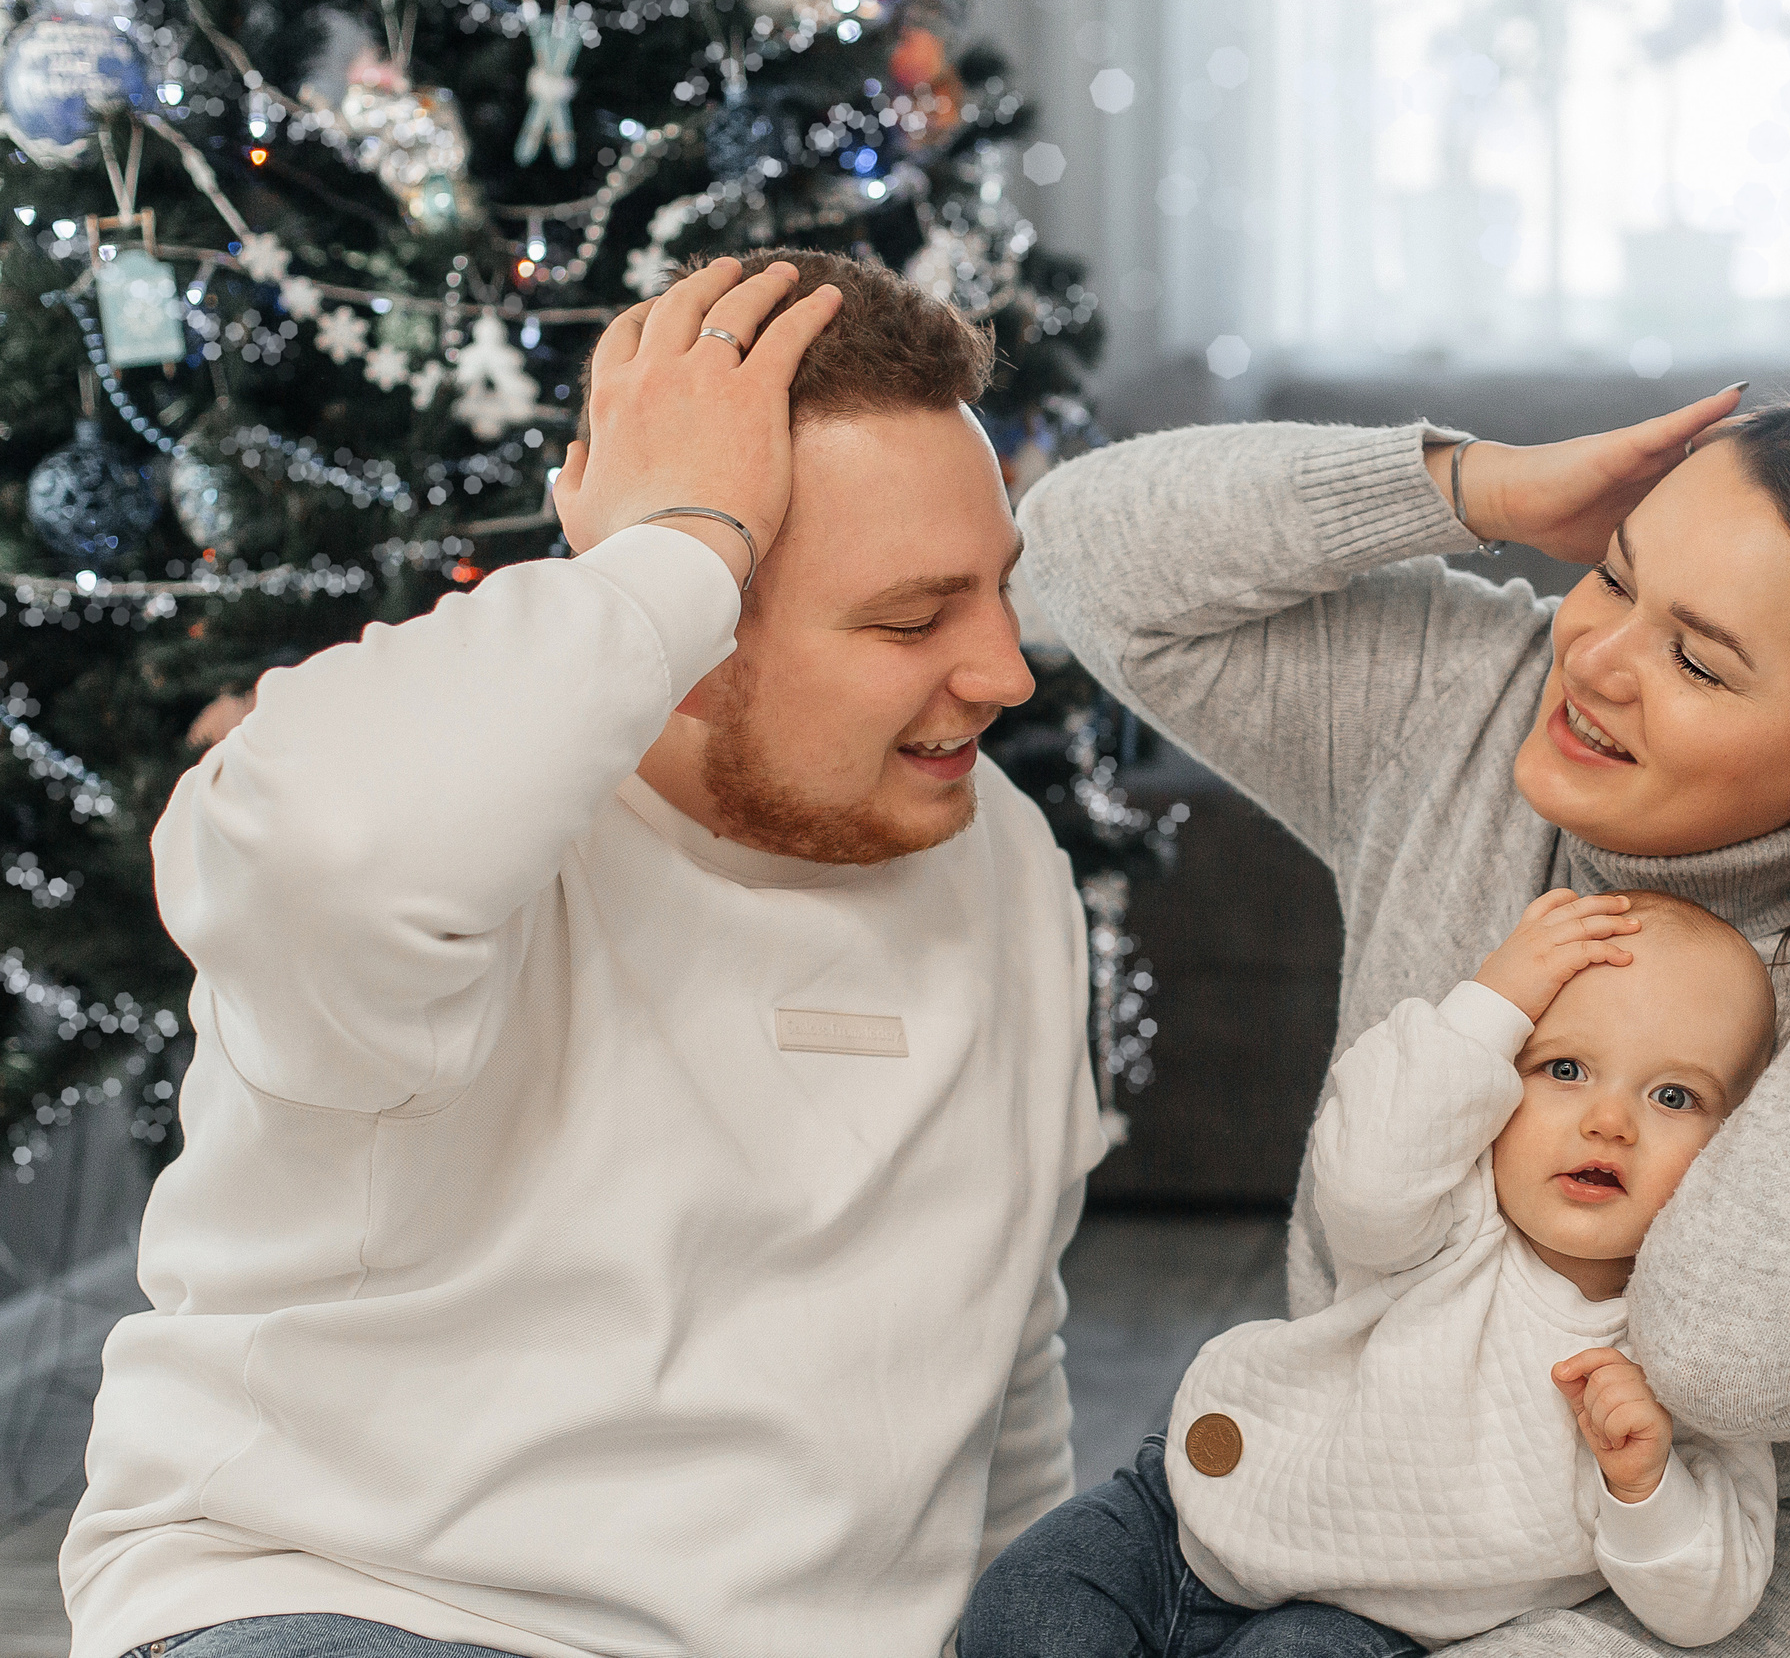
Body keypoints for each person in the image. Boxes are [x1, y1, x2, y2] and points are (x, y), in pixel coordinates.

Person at [63, 251, 1105, 1658]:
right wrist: (670, 540)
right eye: (914, 616)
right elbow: (323, 844)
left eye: (997, 587)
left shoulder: (1001, 852)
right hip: (355, 1601)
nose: (1004, 670)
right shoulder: (459, 822)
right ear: (688, 630)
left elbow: (1000, 1358)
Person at [1019, 396, 1790, 1657]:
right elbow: (1074, 549)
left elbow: (1726, 1365)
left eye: (1700, 661)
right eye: (1614, 578)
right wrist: (1472, 486)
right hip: (1434, 1519)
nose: (1597, 661)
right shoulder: (1474, 715)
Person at [964, 888, 1782, 1657]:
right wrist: (1494, 1000)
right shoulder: (1449, 1207)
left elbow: (1709, 1598)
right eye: (1564, 1070)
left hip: (1368, 1620)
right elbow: (1362, 1172)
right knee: (1025, 1608)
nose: (1609, 1122)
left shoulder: (1686, 1348)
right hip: (1193, 1521)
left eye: (1673, 1095)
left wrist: (1642, 1484)